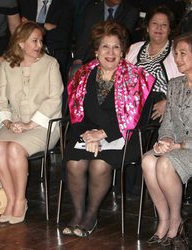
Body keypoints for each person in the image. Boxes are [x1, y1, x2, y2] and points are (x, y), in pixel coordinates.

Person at [62, 20, 155, 237]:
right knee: (75, 164)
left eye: (116, 47)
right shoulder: (83, 76)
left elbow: (135, 118)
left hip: (125, 136)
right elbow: (76, 112)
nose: (110, 52)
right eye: (105, 46)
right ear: (96, 50)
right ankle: (78, 213)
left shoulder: (135, 78)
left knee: (99, 166)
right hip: (87, 133)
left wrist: (102, 134)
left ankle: (91, 215)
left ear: (123, 51)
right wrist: (88, 135)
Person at [0, 21, 63, 224]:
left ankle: (21, 200)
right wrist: (6, 123)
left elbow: (54, 99)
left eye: (40, 40)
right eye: (34, 41)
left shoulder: (50, 64)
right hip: (14, 123)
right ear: (21, 43)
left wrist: (30, 124)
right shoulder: (7, 64)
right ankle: (10, 199)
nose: (39, 45)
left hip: (43, 125)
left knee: (14, 149)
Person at [141, 32, 192, 248]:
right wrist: (165, 140)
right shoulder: (174, 84)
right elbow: (168, 122)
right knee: (148, 160)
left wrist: (179, 145)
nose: (177, 59)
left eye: (183, 54)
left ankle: (175, 219)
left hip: (188, 148)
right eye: (175, 54)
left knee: (164, 163)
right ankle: (163, 219)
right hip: (175, 145)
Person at [126, 5, 182, 123]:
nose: (159, 28)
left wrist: (169, 102)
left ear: (170, 29)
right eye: (155, 23)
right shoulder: (134, 48)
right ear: (147, 27)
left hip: (161, 109)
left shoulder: (178, 50)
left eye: (164, 25)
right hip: (131, 105)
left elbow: (187, 83)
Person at [18, 0, 74, 84]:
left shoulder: (65, 5)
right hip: (26, 50)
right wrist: (45, 26)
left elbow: (62, 36)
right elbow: (20, 31)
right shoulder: (24, 3)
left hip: (54, 51)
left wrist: (31, 24)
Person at [72, 0, 139, 67]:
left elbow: (123, 39)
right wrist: (78, 59)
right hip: (92, 57)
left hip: (116, 60)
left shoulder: (130, 11)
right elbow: (85, 36)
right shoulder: (92, 9)